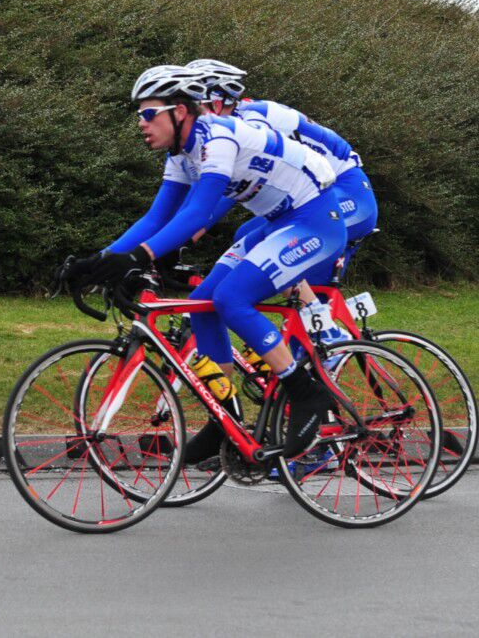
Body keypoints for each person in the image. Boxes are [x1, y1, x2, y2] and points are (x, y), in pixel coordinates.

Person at [79, 65, 347, 463]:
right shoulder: (180, 154)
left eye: (148, 113)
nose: (141, 123)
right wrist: (96, 261)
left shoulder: (217, 137)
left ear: (179, 112)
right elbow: (156, 218)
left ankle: (306, 394)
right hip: (278, 222)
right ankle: (225, 419)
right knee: (202, 305)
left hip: (315, 219)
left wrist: (138, 256)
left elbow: (198, 213)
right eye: (139, 114)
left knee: (231, 298)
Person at [186, 59, 378, 330]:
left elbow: (234, 185)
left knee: (260, 240)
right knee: (246, 235)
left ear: (216, 99)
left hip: (349, 192)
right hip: (322, 194)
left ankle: (325, 330)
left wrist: (197, 227)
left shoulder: (252, 119)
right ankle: (314, 328)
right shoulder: (228, 124)